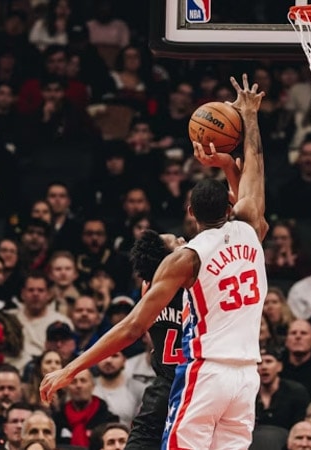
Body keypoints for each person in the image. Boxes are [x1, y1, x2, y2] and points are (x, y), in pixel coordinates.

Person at [41, 73, 269, 450]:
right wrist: (248, 120)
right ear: (230, 205)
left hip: (205, 372)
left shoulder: (186, 259)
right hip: (246, 378)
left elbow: (131, 329)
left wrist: (70, 368)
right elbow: (255, 171)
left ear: (190, 211)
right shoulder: (252, 230)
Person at [122, 229, 185, 450]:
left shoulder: (148, 287)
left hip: (165, 384)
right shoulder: (197, 286)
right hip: (190, 384)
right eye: (177, 242)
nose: (183, 241)